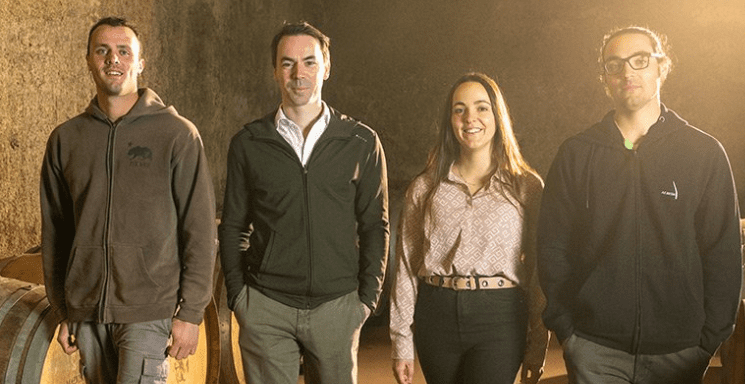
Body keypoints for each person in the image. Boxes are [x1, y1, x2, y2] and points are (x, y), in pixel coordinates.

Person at [537, 26, 741, 384]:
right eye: (615, 65)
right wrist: (568, 330)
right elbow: (553, 246)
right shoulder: (576, 154)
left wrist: (708, 339)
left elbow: (722, 252)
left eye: (640, 61)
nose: (627, 72)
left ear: (661, 68)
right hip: (594, 349)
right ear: (605, 79)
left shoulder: (704, 153)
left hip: (680, 351)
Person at [40, 16, 216, 384]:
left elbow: (199, 229)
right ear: (88, 59)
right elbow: (56, 233)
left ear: (140, 62)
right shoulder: (66, 139)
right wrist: (63, 309)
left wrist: (192, 313)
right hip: (87, 312)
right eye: (102, 51)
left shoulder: (176, 134)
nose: (113, 60)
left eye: (123, 51)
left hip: (149, 310)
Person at [218, 21, 389, 384]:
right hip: (266, 307)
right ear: (275, 71)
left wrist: (366, 300)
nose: (299, 74)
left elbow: (375, 225)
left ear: (326, 67)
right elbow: (233, 224)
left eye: (309, 62)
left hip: (337, 306)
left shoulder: (360, 141)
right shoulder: (248, 142)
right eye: (287, 63)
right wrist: (239, 298)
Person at [389, 72, 549, 384]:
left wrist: (539, 342)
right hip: (436, 314)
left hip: (500, 317)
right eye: (459, 109)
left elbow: (539, 271)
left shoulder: (525, 186)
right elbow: (406, 267)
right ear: (449, 120)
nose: (470, 118)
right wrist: (401, 342)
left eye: (481, 107)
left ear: (497, 115)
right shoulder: (425, 187)